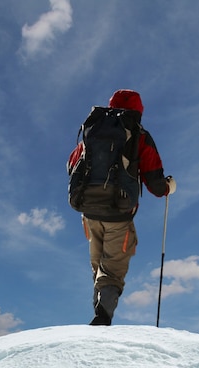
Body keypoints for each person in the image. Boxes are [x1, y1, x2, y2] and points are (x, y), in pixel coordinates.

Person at [68, 89, 176, 325]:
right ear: (139, 111)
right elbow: (156, 185)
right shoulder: (138, 134)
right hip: (119, 213)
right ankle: (102, 318)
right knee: (112, 269)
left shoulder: (93, 129)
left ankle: (99, 312)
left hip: (89, 212)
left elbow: (72, 164)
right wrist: (169, 187)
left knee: (98, 267)